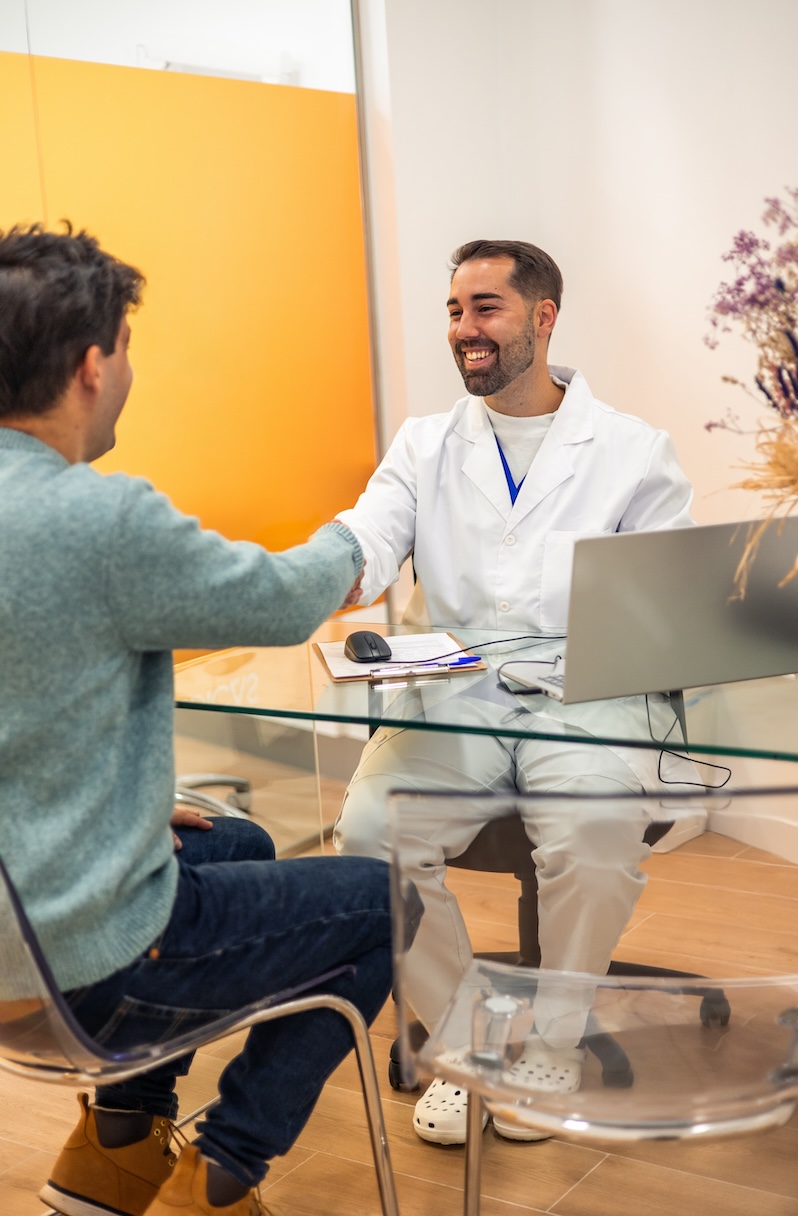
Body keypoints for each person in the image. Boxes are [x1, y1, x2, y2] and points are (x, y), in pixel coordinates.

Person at [0, 223, 407, 1216]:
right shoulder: (100, 520)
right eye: (126, 349)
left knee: (238, 841)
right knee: (387, 900)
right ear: (93, 367)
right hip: (84, 975)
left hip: (14, 940)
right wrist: (368, 529)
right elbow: (283, 598)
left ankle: (116, 1148)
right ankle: (221, 1176)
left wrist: (132, 807)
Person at [333, 239, 697, 1145]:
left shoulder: (631, 449)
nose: (465, 329)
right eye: (455, 311)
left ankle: (554, 1042)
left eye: (486, 308)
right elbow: (370, 532)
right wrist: (336, 568)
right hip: (457, 686)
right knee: (373, 834)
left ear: (544, 316)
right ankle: (468, 1044)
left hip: (585, 690)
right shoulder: (425, 444)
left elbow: (673, 600)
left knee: (594, 833)